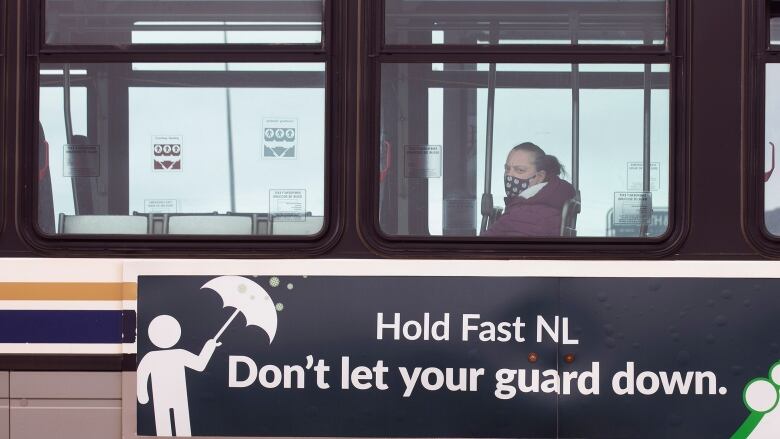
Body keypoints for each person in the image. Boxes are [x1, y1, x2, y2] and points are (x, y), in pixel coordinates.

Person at [482, 142, 575, 237]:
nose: (510, 175)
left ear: (540, 176)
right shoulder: (547, 203)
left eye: (520, 170)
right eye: (507, 169)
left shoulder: (525, 215)